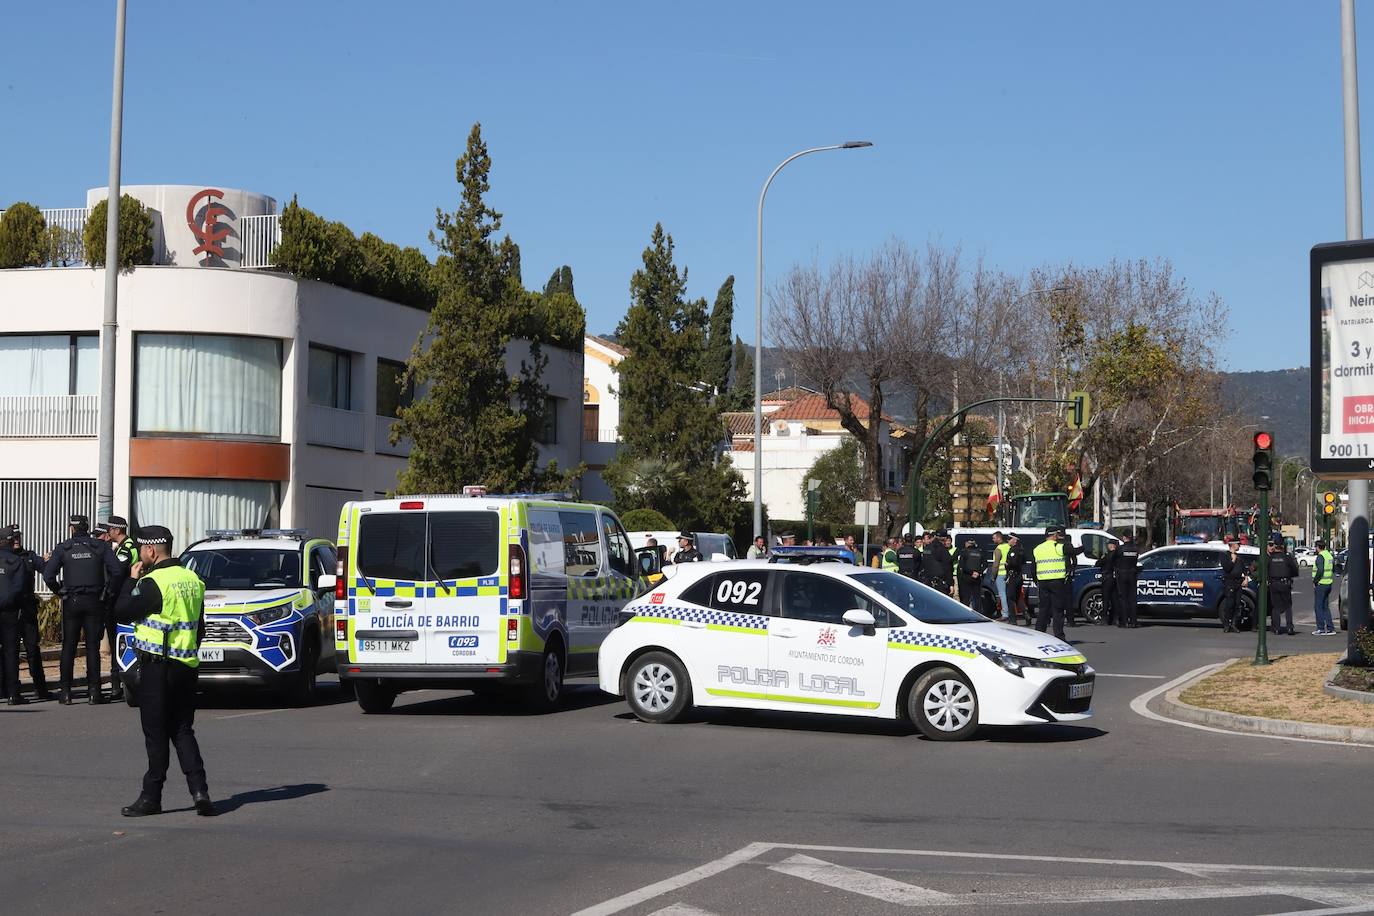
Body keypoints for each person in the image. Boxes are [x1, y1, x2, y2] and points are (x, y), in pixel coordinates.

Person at [113, 525, 215, 818]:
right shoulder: (193, 579)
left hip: (157, 667)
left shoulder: (153, 582)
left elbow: (121, 611)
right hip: (186, 666)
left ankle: (151, 797)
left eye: (142, 550)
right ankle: (200, 792)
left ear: (150, 550)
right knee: (182, 729)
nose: (140, 555)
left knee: (156, 733)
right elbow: (199, 627)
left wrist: (130, 580)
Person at [44, 514, 121, 704]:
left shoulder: (64, 548)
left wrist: (59, 591)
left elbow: (48, 575)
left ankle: (65, 692)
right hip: (95, 600)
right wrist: (108, 592)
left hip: (72, 601)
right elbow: (117, 571)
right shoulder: (100, 546)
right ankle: (94, 692)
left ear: (71, 528)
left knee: (68, 646)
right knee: (92, 647)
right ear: (87, 528)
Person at [10, 527, 50, 699]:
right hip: (9, 612)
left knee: (33, 650)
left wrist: (50, 560)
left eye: (18, 537)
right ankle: (9, 689)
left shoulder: (29, 556)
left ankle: (40, 688)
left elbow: (46, 569)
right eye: (13, 537)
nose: (16, 540)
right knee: (9, 651)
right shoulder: (3, 557)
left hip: (27, 610)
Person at [0, 526, 29, 704]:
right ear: (11, 542)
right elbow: (20, 588)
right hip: (10, 612)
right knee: (11, 653)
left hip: (8, 610)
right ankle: (13, 694)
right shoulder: (17, 561)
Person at [1032, 525, 1077, 640]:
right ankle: (1059, 636)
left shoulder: (1037, 549)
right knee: (1058, 610)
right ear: (1054, 535)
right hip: (1057, 582)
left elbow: (1033, 567)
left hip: (1043, 582)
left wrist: (1036, 580)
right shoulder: (1059, 547)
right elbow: (1073, 552)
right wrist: (1082, 547)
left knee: (1043, 609)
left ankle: (1039, 635)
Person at [1267, 537, 1299, 636]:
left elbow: (1266, 570)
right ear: (1283, 546)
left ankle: (1276, 628)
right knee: (1288, 606)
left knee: (1276, 606)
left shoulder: (1270, 558)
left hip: (1273, 583)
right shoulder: (1287, 557)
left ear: (1275, 546)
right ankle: (1289, 627)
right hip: (1285, 583)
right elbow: (1295, 571)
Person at [1217, 539, 1247, 633]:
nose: (1239, 546)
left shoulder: (1239, 557)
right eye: (1238, 544)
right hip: (1230, 582)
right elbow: (1227, 568)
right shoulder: (1225, 555)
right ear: (1232, 545)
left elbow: (1244, 569)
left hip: (1238, 582)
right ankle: (1226, 624)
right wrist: (1233, 560)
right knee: (1229, 604)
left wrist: (1246, 578)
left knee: (1237, 605)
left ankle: (1234, 624)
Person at [1112, 532, 1141, 628]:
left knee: (1123, 598)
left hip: (1122, 574)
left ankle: (1124, 622)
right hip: (1132, 574)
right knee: (1132, 599)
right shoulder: (1136, 549)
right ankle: (1133, 621)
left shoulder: (1120, 548)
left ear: (1124, 537)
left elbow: (1113, 559)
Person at [1312, 539, 1336, 635]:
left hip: (1321, 584)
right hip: (1328, 583)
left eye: (1316, 547)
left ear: (1318, 547)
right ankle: (1330, 628)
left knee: (1318, 606)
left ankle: (1320, 628)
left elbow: (1320, 570)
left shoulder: (1320, 556)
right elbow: (1333, 568)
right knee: (1325, 607)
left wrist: (1315, 581)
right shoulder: (1329, 555)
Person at [1004, 534, 1027, 625]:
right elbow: (1024, 561)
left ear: (1014, 540)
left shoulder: (1013, 550)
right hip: (1019, 576)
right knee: (1017, 597)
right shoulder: (1022, 550)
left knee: (1010, 597)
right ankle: (1026, 615)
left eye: (1009, 539)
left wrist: (1007, 564)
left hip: (1013, 576)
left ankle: (1012, 619)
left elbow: (1013, 563)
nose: (1008, 541)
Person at [923, 530, 954, 596]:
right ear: (944, 538)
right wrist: (951, 584)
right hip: (940, 583)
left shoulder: (926, 548)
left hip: (927, 582)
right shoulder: (943, 550)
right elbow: (948, 568)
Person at [957, 538, 985, 610]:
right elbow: (985, 565)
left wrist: (971, 573)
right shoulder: (980, 552)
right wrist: (978, 572)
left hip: (967, 577)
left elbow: (962, 566)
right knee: (976, 597)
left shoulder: (964, 552)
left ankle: (965, 612)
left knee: (966, 597)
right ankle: (976, 612)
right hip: (977, 578)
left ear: (968, 544)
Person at [1096, 541, 1118, 626]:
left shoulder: (1108, 555)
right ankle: (1115, 619)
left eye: (1109, 545)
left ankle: (1104, 619)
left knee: (1106, 599)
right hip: (1115, 579)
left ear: (1112, 545)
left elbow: (1098, 563)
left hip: (1107, 578)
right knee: (1114, 599)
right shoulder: (1118, 555)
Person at [990, 532, 1010, 622]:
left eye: (994, 538)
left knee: (1002, 594)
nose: (993, 540)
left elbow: (996, 564)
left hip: (1001, 574)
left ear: (999, 538)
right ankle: (1023, 612)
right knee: (1011, 595)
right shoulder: (1008, 546)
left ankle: (1005, 614)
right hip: (1009, 573)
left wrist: (993, 576)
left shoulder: (998, 549)